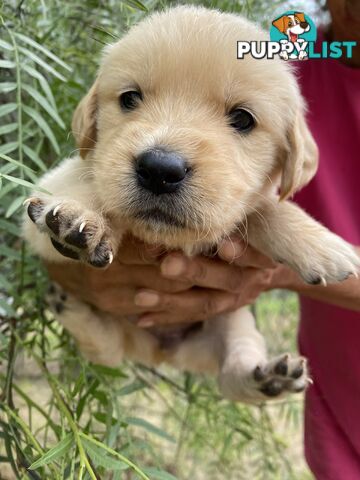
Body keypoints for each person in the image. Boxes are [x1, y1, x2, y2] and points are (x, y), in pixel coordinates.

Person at [46, 0, 360, 477]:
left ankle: (241, 372)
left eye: (240, 120)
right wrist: (69, 255)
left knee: (238, 333)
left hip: (303, 365)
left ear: (289, 160)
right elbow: (48, 213)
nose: (163, 157)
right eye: (131, 99)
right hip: (333, 408)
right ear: (91, 114)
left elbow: (264, 210)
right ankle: (105, 340)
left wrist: (276, 258)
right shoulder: (291, 50)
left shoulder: (278, 85)